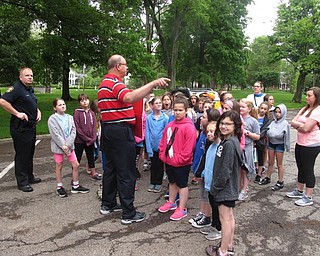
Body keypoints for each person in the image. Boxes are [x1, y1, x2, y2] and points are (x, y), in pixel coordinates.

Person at [98, 54, 170, 224]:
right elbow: (129, 97)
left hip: (109, 129)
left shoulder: (104, 83)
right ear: (118, 67)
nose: (127, 68)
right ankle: (128, 213)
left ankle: (107, 204)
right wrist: (153, 83)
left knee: (111, 168)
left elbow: (130, 96)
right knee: (127, 171)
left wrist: (147, 90)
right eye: (125, 65)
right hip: (120, 131)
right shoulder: (115, 83)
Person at [205, 110, 243, 256]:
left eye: (228, 124)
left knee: (225, 219)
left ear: (235, 126)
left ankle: (223, 251)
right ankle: (229, 245)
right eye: (222, 123)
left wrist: (215, 188)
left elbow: (225, 170)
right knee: (229, 217)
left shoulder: (229, 144)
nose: (223, 126)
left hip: (225, 189)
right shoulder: (228, 141)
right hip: (227, 188)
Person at [0, 67, 41, 192]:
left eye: (31, 75)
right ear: (20, 77)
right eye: (27, 75)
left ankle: (29, 176)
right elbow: (2, 101)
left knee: (29, 153)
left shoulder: (29, 89)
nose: (30, 77)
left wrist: (37, 111)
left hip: (30, 127)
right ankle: (22, 182)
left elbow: (31, 103)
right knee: (22, 155)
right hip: (20, 128)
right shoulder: (16, 89)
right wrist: (17, 113)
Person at [158, 96, 197, 221]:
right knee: (172, 182)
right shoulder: (170, 125)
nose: (177, 112)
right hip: (169, 160)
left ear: (186, 110)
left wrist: (179, 159)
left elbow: (188, 148)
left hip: (181, 163)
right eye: (175, 110)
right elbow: (164, 141)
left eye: (180, 110)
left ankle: (182, 207)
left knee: (182, 184)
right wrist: (162, 155)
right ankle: (171, 201)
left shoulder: (189, 127)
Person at [48, 98, 90, 197]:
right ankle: (59, 187)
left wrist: (68, 145)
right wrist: (63, 145)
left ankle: (75, 185)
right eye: (59, 105)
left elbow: (73, 131)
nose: (62, 106)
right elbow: (55, 134)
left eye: (63, 104)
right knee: (59, 165)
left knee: (75, 165)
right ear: (55, 107)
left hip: (69, 146)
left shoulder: (70, 117)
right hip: (59, 146)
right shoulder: (52, 119)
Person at [287, 87, 320, 206]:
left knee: (307, 169)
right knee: (300, 167)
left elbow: (307, 128)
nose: (306, 97)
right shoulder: (305, 109)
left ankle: (308, 196)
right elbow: (293, 122)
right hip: (300, 142)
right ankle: (299, 190)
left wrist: (300, 126)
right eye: (306, 95)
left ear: (316, 97)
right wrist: (301, 125)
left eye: (309, 95)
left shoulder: (317, 111)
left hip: (311, 144)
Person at [259, 104, 290, 190]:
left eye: (279, 112)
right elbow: (268, 131)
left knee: (279, 164)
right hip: (271, 143)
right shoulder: (272, 122)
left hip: (279, 144)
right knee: (270, 162)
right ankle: (268, 177)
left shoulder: (285, 124)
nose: (277, 114)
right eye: (276, 112)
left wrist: (287, 147)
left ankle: (280, 181)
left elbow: (287, 136)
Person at [74, 94, 102, 180]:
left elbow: (94, 126)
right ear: (79, 103)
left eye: (86, 99)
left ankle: (93, 173)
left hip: (91, 140)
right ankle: (75, 175)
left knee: (91, 156)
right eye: (82, 100)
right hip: (80, 141)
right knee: (77, 158)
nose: (84, 102)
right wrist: (86, 138)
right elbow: (77, 128)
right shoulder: (77, 113)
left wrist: (93, 138)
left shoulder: (92, 113)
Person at [145, 97, 169, 193]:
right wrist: (148, 147)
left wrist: (164, 147)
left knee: (159, 165)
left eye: (160, 103)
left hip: (161, 147)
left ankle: (158, 183)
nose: (159, 104)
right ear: (152, 105)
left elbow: (166, 133)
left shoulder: (165, 118)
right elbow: (147, 133)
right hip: (152, 146)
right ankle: (153, 181)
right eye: (156, 103)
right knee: (153, 165)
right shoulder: (149, 118)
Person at [238, 99, 260, 201]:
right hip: (238, 147)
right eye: (240, 107)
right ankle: (239, 187)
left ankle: (244, 189)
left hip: (247, 147)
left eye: (243, 107)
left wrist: (246, 132)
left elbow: (257, 136)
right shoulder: (237, 118)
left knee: (245, 169)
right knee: (238, 169)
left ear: (249, 109)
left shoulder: (253, 121)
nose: (240, 109)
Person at [254, 101, 272, 183]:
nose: (262, 110)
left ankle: (259, 174)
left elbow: (264, 131)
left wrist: (256, 138)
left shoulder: (267, 120)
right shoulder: (254, 116)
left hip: (260, 140)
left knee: (260, 156)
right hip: (251, 138)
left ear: (267, 110)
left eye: (265, 109)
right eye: (261, 108)